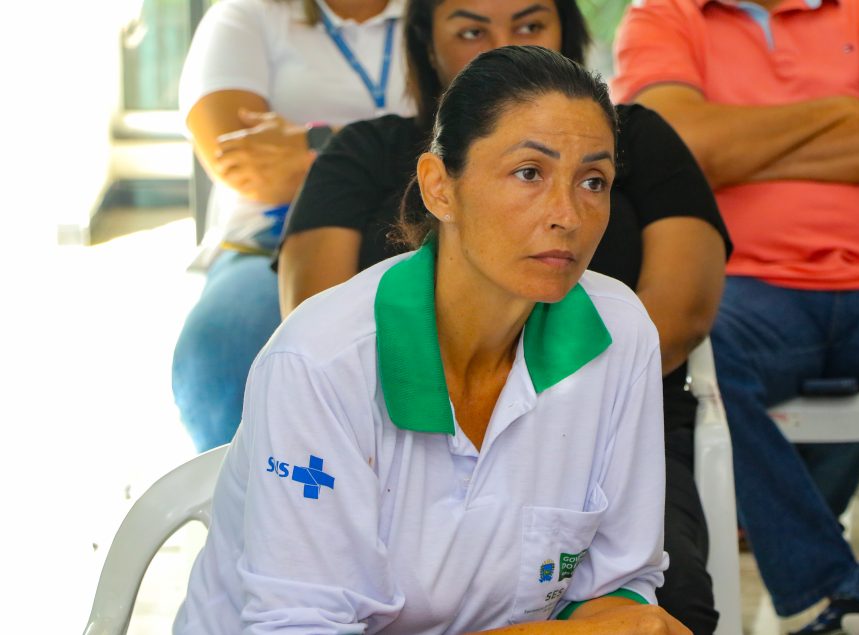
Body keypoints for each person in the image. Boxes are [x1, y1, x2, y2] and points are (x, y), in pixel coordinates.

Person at [175, 45, 691, 634]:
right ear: (439, 187)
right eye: (529, 173)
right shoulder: (322, 364)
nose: (568, 214)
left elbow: (620, 592)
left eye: (593, 181)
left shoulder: (618, 334)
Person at [610, 0, 859, 632]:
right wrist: (842, 112)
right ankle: (819, 591)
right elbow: (683, 146)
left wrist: (740, 148)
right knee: (696, 362)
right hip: (747, 293)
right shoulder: (663, 16)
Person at [172, 0, 414, 452]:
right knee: (225, 346)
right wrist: (403, 154)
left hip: (420, 234)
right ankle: (247, 510)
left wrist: (318, 140)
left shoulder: (449, 14)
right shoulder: (245, 16)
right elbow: (252, 170)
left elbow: (481, 145)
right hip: (272, 241)